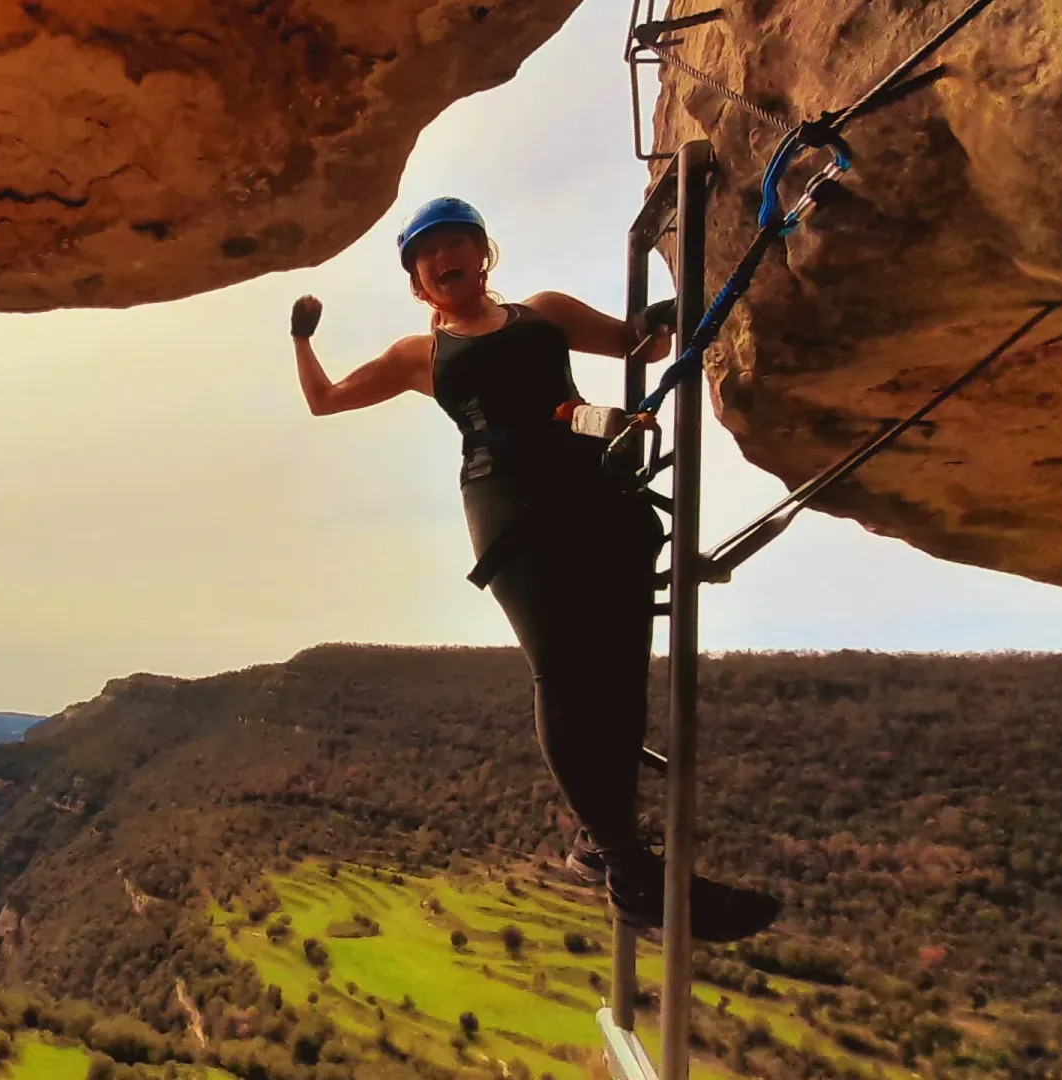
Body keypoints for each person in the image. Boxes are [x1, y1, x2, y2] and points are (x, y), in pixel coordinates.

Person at [288, 196, 779, 942]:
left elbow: (634, 347)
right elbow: (324, 403)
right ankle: (627, 867)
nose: (444, 258)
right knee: (560, 668)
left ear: (484, 252)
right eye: (428, 253)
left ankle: (599, 844)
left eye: (457, 243)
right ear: (417, 279)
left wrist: (670, 312)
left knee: (617, 667)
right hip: (510, 507)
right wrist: (301, 337)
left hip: (596, 490)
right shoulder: (418, 356)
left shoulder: (545, 313)